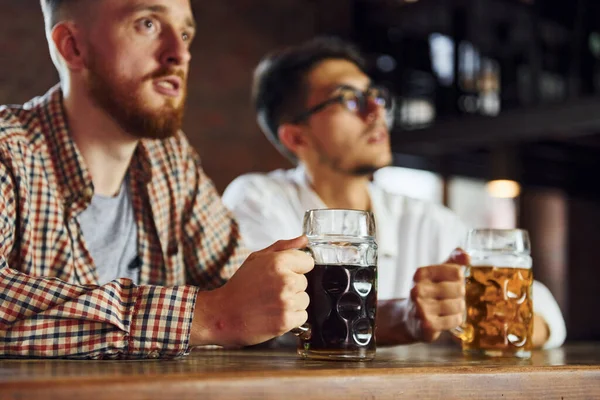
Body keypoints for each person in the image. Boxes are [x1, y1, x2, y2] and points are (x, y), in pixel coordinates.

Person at [0, 0, 314, 359]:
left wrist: (378, 317)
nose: (179, 54)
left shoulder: (169, 159)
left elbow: (237, 287)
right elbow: (225, 311)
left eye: (184, 33)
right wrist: (209, 316)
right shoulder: (8, 151)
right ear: (72, 46)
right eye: (147, 24)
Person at [222, 37, 566, 348]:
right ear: (296, 138)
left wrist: (475, 311)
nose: (376, 111)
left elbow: (548, 314)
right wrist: (406, 318)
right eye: (349, 99)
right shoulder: (258, 199)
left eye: (375, 96)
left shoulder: (422, 218)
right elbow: (264, 322)